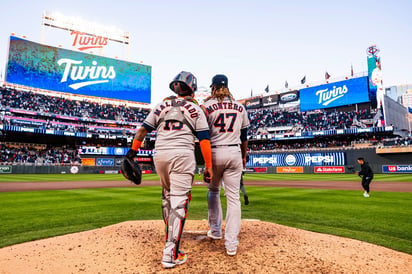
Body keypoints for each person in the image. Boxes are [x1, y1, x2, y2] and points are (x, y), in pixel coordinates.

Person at [125, 71, 213, 268]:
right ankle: (170, 254)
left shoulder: (161, 105)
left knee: (167, 196)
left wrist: (131, 153)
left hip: (160, 155)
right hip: (182, 155)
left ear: (174, 87)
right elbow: (205, 140)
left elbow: (141, 131)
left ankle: (171, 245)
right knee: (179, 203)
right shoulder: (196, 109)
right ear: (193, 88)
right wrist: (209, 167)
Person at [202, 74, 250, 256]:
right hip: (234, 151)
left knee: (213, 191)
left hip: (214, 152)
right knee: (233, 199)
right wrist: (244, 157)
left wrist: (203, 161)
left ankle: (215, 231)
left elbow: (202, 135)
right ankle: (231, 245)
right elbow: (244, 137)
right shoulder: (240, 106)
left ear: (213, 87)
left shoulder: (206, 106)